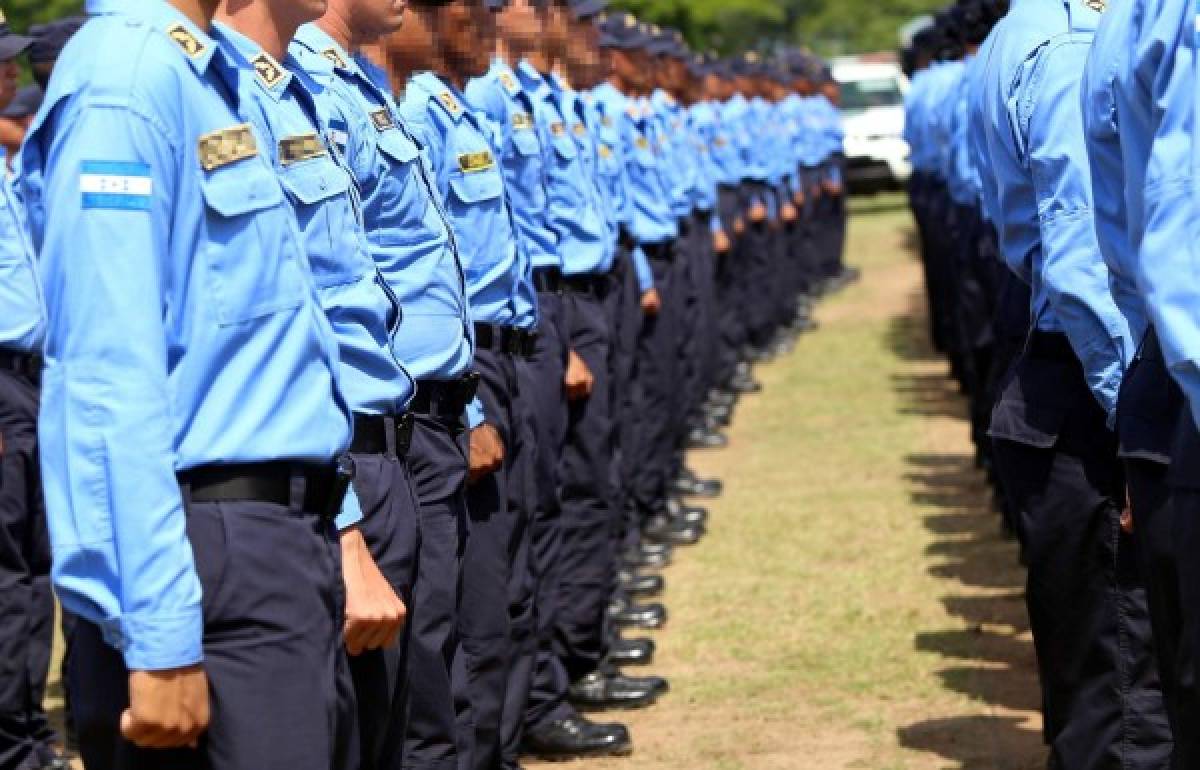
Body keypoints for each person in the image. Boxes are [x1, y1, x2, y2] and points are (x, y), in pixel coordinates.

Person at [21, 0, 381, 767]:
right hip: (208, 555)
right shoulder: (124, 78)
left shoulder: (203, 72)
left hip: (279, 545)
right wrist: (158, 634)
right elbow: (107, 373)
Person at [977, 0, 1168, 766]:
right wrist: (1134, 427)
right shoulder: (1066, 53)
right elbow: (1083, 262)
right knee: (1129, 697)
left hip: (1070, 381)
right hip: (1096, 398)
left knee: (1106, 687)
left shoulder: (1025, 33)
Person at [0, 11, 58, 770]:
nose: (11, 76)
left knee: (34, 567)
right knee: (10, 574)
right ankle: (13, 743)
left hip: (32, 384)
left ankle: (25, 736)